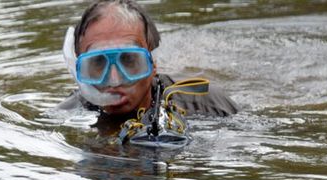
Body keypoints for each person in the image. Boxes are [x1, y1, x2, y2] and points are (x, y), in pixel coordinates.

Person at [58, 0, 239, 128]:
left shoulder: (206, 104)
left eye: (128, 60)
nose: (114, 81)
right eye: (97, 63)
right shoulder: (70, 112)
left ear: (153, 64)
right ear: (77, 70)